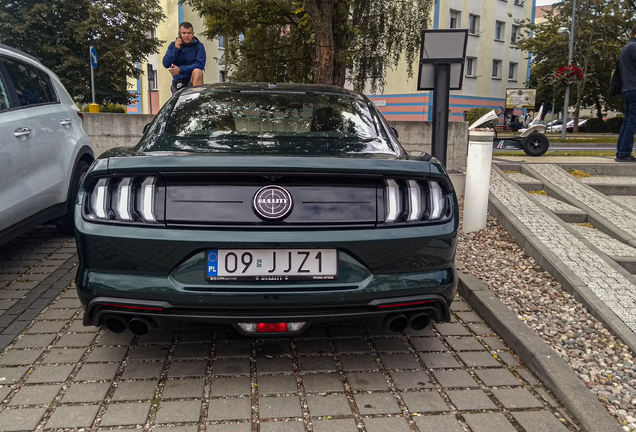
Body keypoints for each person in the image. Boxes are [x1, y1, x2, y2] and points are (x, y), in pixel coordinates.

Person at [162, 22, 206, 94]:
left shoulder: (199, 46)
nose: (186, 35)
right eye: (184, 33)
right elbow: (166, 64)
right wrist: (176, 49)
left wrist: (180, 70)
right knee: (178, 104)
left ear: (193, 34)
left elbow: (200, 64)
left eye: (189, 33)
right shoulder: (173, 45)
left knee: (198, 72)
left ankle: (196, 101)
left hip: (193, 80)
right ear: (180, 34)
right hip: (178, 82)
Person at [616, 23, 636, 162]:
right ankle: (624, 154)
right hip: (635, 89)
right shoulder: (634, 47)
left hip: (628, 89)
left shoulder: (627, 47)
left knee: (628, 121)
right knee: (632, 122)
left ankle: (622, 152)